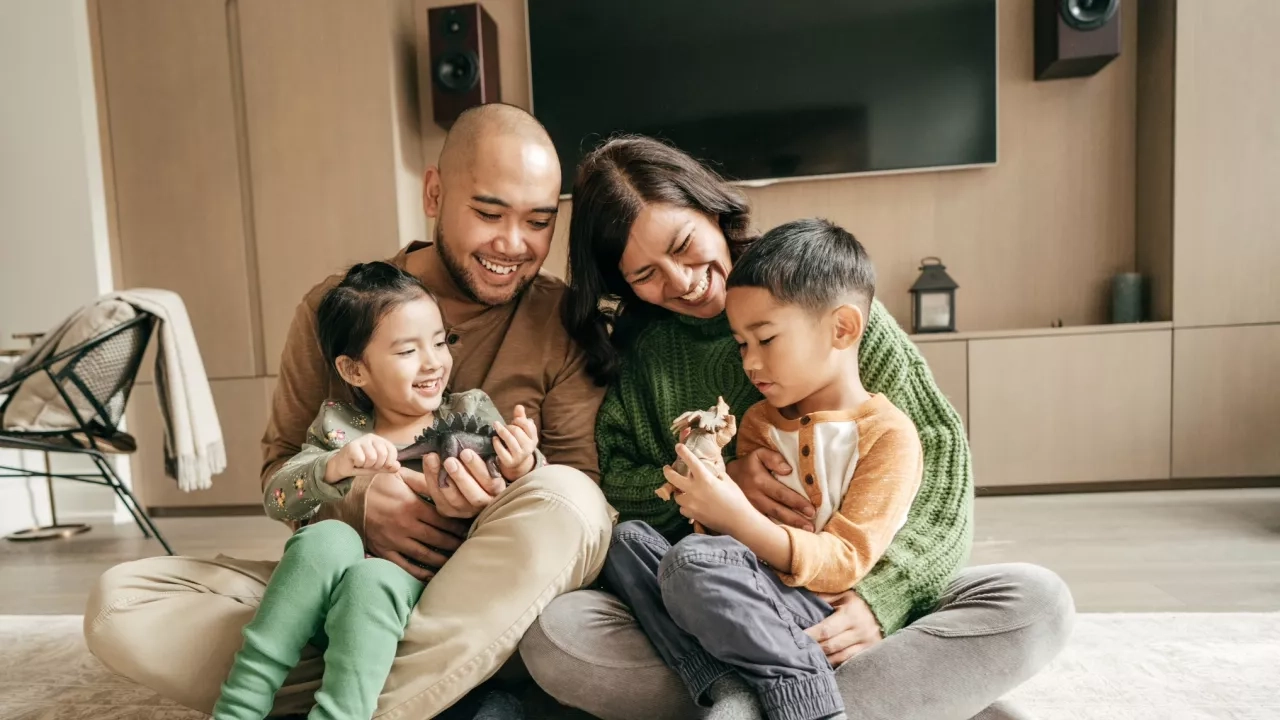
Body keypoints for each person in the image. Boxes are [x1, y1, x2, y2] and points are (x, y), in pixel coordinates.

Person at [84, 104, 613, 719]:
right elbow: (281, 473)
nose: (513, 244)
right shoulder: (336, 311)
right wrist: (358, 501)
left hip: (490, 585)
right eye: (489, 213)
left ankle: (347, 695)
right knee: (121, 603)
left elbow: (580, 501)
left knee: (569, 501)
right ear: (435, 193)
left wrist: (500, 491)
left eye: (539, 222)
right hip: (354, 578)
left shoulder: (565, 319)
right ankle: (426, 681)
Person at [519, 135, 1074, 720]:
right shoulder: (641, 357)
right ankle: (871, 696)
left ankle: (753, 702)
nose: (681, 281)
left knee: (1037, 600)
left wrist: (878, 602)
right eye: (646, 275)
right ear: (620, 285)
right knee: (557, 634)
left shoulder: (818, 300)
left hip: (847, 594)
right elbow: (615, 492)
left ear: (711, 210)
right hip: (720, 601)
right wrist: (716, 484)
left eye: (684, 247)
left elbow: (939, 461)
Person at [605, 218, 924, 720]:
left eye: (766, 339)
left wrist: (734, 518)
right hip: (745, 592)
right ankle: (724, 683)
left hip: (818, 607)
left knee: (692, 564)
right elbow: (723, 543)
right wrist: (711, 471)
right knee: (627, 544)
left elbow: (844, 559)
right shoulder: (757, 422)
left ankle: (808, 698)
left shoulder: (888, 436)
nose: (750, 364)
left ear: (842, 328)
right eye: (741, 345)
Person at [213, 262, 539, 720]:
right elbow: (279, 499)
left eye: (441, 342)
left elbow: (529, 499)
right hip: (326, 609)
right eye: (407, 351)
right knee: (327, 538)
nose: (433, 362)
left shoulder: (472, 412)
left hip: (425, 607)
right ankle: (241, 704)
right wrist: (334, 466)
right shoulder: (339, 427)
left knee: (374, 579)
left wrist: (523, 461)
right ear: (354, 369)